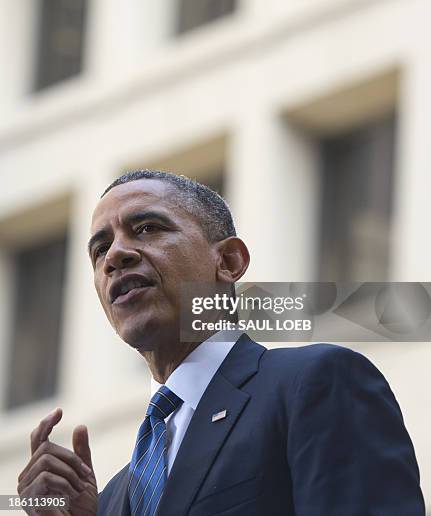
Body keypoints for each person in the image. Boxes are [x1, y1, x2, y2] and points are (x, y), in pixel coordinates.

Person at [17, 170, 426, 516]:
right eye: (100, 249)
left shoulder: (316, 383)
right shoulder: (113, 497)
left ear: (229, 262)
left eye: (147, 228)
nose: (115, 255)